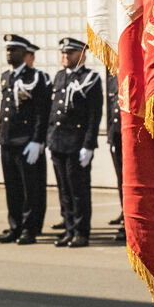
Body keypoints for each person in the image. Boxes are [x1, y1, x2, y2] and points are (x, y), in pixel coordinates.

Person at [46, 38, 104, 248]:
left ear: (82, 55)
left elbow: (94, 115)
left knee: (78, 191)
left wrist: (89, 145)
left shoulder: (90, 78)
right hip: (58, 142)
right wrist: (49, 139)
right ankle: (69, 228)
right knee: (64, 190)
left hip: (77, 144)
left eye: (70, 52)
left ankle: (81, 231)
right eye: (63, 52)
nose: (65, 56)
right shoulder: (60, 76)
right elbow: (53, 111)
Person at [0, 35, 50, 245]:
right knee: (12, 188)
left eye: (14, 50)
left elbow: (41, 112)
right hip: (8, 140)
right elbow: (4, 110)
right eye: (8, 50)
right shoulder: (6, 76)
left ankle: (30, 228)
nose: (9, 54)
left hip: (27, 142)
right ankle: (15, 225)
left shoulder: (36, 77)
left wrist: (38, 140)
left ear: (24, 53)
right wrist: (0, 137)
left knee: (31, 189)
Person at [105, 73, 125, 242]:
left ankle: (129, 217)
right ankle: (124, 210)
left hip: (130, 136)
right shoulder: (112, 78)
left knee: (130, 180)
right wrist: (110, 136)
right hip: (116, 135)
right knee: (121, 179)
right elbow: (111, 109)